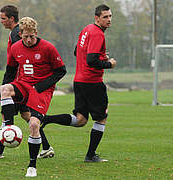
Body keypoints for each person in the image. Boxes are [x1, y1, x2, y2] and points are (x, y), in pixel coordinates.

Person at [41, 4, 117, 162]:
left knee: (81, 120)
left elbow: (77, 51)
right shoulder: (97, 34)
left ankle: (46, 119)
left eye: (110, 16)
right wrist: (109, 63)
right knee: (101, 118)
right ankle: (90, 155)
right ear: (97, 18)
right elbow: (91, 60)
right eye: (105, 17)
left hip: (79, 81)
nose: (109, 20)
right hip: (93, 82)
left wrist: (99, 56)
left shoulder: (87, 29)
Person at [0, 5, 54, 160]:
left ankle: (0, 145)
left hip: (21, 85)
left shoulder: (17, 35)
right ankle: (46, 147)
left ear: (12, 19)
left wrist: (8, 88)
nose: (1, 21)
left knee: (7, 114)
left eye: (3, 18)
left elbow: (18, 64)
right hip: (21, 83)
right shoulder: (15, 33)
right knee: (27, 116)